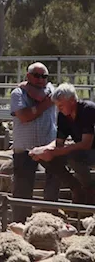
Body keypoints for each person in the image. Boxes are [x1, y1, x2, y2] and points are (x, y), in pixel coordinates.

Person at [9, 62, 59, 222]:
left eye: (44, 76)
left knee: (53, 181)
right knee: (22, 188)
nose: (40, 80)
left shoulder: (51, 89)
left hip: (47, 147)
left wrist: (27, 88)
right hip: (24, 148)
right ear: (28, 76)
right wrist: (41, 106)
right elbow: (24, 116)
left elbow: (39, 98)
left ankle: (49, 219)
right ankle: (20, 223)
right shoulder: (17, 93)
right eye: (36, 76)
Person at [30, 83, 95, 204]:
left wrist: (55, 151)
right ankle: (75, 186)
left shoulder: (87, 110)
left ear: (71, 101)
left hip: (91, 150)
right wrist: (43, 150)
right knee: (43, 158)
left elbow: (86, 143)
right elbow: (59, 142)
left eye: (61, 105)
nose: (59, 108)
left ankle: (89, 187)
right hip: (83, 151)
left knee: (73, 156)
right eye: (57, 106)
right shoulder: (63, 116)